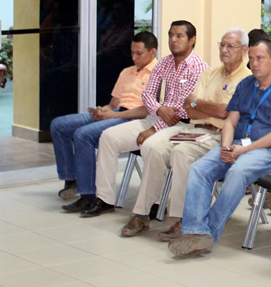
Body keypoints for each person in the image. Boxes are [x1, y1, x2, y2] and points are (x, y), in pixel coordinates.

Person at [169, 39, 271, 257]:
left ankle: (208, 233)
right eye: (251, 58)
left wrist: (243, 151)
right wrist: (226, 145)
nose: (254, 63)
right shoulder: (245, 85)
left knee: (238, 171)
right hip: (238, 145)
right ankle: (194, 231)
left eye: (260, 58)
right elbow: (231, 122)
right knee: (199, 169)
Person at [121, 29, 250, 239]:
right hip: (192, 128)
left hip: (220, 135)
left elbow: (224, 112)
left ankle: (184, 220)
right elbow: (188, 108)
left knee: (181, 153)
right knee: (151, 146)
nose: (224, 50)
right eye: (222, 45)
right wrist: (207, 107)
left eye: (230, 46)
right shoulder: (210, 73)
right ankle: (142, 214)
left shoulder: (247, 79)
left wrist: (202, 105)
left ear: (244, 50)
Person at [79, 21, 208, 217]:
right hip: (156, 117)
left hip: (181, 126)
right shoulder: (164, 63)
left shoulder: (198, 68)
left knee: (150, 144)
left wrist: (155, 126)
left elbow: (184, 109)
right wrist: (160, 108)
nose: (173, 40)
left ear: (192, 40)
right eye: (171, 35)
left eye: (179, 36)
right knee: (108, 137)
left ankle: (156, 202)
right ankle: (105, 199)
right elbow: (148, 96)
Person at [50, 31, 157, 203]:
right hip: (116, 113)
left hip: (132, 119)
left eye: (139, 53)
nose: (134, 57)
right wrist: (102, 111)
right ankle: (71, 179)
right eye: (132, 52)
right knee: (59, 125)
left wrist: (113, 115)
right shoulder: (126, 72)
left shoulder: (158, 74)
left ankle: (88, 193)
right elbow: (113, 105)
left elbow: (146, 111)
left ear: (153, 52)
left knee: (83, 134)